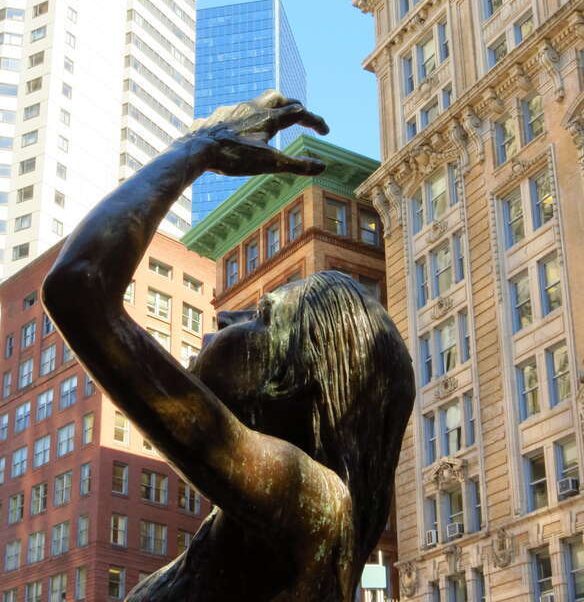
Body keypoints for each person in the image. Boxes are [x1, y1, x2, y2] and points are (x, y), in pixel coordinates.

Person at [42, 91, 415, 602]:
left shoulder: (310, 500)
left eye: (261, 317)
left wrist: (200, 147)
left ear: (291, 376)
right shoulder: (273, 515)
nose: (225, 315)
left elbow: (79, 285)